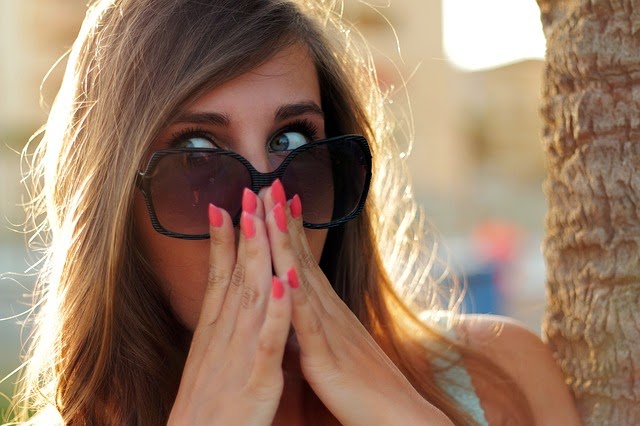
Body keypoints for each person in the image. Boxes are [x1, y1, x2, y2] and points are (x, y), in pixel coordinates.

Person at [10, 0, 581, 424]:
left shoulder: (500, 376)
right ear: (113, 208)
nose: (265, 208)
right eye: (197, 155)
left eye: (291, 142)